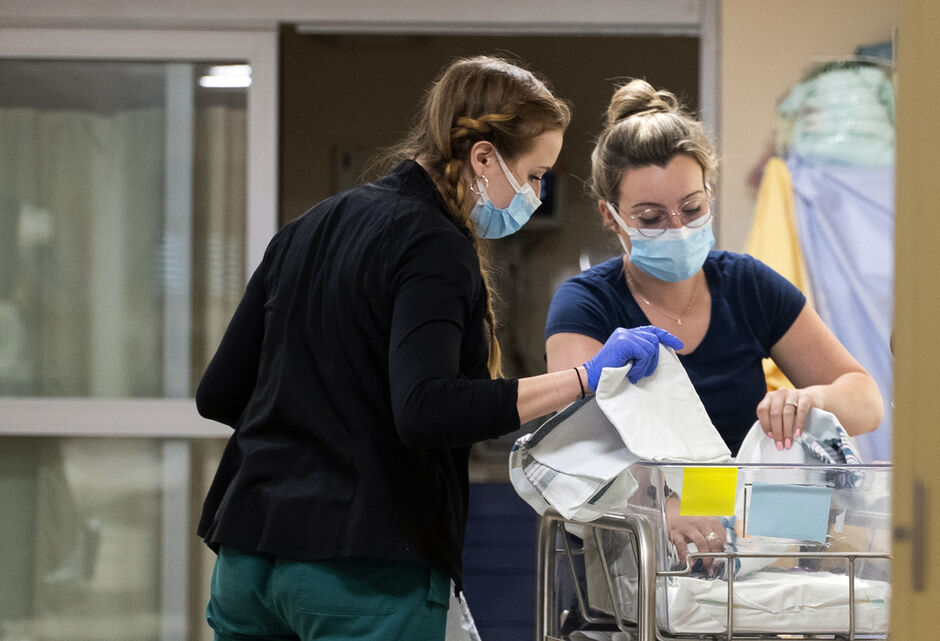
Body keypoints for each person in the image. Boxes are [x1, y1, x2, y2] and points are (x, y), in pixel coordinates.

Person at [194, 56, 681, 641]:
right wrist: (585, 378)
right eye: (534, 175)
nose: (536, 193)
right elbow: (426, 409)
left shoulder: (309, 227)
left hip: (247, 560)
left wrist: (317, 430)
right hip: (360, 575)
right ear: (483, 158)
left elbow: (219, 394)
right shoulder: (434, 243)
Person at [544, 78, 883, 566]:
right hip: (637, 562)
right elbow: (578, 444)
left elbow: (866, 400)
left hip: (750, 548)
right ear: (610, 215)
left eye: (692, 209)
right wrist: (657, 506)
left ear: (710, 194)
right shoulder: (587, 305)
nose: (677, 229)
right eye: (651, 218)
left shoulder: (748, 286)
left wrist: (810, 400)